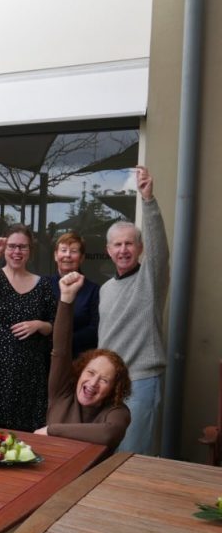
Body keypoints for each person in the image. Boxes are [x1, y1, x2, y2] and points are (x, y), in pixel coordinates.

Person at [98, 165, 169, 455]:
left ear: (140, 248)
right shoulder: (105, 289)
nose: (124, 249)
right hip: (108, 382)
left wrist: (148, 200)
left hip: (140, 381)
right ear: (109, 251)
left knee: (133, 455)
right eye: (118, 244)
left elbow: (160, 248)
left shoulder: (149, 279)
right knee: (108, 452)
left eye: (130, 243)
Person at [0, 224, 56, 431]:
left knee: (23, 433)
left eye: (22, 247)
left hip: (28, 374)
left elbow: (54, 324)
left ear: (30, 251)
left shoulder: (43, 285)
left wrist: (39, 324)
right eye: (12, 246)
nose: (17, 252)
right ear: (5, 249)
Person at [35, 272, 131, 458]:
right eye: (90, 372)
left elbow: (108, 434)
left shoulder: (117, 411)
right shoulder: (62, 392)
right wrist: (67, 299)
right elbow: (61, 349)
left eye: (104, 379)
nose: (93, 383)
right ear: (80, 373)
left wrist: (51, 430)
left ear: (114, 388)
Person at [47, 232, 100, 357]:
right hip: (45, 358)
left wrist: (64, 342)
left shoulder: (93, 290)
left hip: (78, 358)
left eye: (74, 251)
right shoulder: (44, 285)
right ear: (55, 255)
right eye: (63, 250)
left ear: (82, 258)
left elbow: (95, 328)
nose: (67, 255)